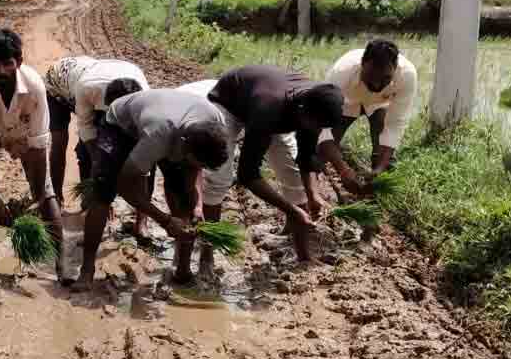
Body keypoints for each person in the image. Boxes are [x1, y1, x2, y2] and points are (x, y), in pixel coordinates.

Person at [73, 89, 231, 291]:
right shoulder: (158, 135)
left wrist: (197, 205)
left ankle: (182, 271)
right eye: (194, 161)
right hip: (121, 126)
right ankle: (86, 271)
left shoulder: (214, 124)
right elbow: (125, 184)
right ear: (184, 148)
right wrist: (164, 219)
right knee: (103, 192)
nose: (196, 167)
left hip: (173, 122)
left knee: (183, 197)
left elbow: (194, 172)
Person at [207, 65, 355, 263]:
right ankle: (207, 256)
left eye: (322, 126)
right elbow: (247, 174)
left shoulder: (316, 106)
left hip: (275, 107)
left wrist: (313, 195)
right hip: (228, 104)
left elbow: (306, 157)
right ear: (302, 111)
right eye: (316, 125)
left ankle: (303, 256)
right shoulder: (268, 109)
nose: (317, 130)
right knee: (218, 178)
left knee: (294, 178)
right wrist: (290, 209)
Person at [176, 79, 306, 277]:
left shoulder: (281, 114)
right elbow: (197, 170)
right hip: (214, 106)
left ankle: (298, 242)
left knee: (291, 169)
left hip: (250, 106)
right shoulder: (202, 115)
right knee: (215, 180)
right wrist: (197, 205)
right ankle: (201, 256)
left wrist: (295, 208)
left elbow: (251, 169)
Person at [0, 28, 62, 278]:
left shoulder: (35, 87)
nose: (1, 72)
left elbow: (39, 148)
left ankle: (61, 262)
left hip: (24, 131)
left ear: (18, 62)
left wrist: (37, 195)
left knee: (46, 193)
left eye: (7, 64)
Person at [43, 56, 149, 208]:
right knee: (63, 142)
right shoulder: (88, 89)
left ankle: (140, 220)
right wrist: (102, 174)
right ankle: (57, 199)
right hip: (57, 84)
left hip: (105, 73)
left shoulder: (145, 101)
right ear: (107, 104)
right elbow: (86, 130)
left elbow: (145, 162)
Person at [316, 39, 418, 189]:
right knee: (323, 151)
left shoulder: (407, 75)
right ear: (362, 64)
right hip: (346, 103)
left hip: (379, 104)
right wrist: (343, 170)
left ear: (395, 68)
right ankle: (323, 186)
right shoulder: (342, 72)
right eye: (371, 76)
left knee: (384, 160)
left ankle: (376, 185)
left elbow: (396, 123)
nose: (377, 84)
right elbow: (321, 127)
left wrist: (380, 168)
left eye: (385, 78)